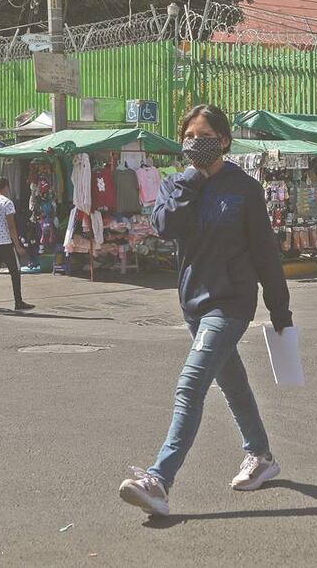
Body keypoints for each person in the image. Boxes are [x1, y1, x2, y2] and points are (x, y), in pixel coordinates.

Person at [118, 104, 294, 517]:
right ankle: (261, 456)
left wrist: (280, 310)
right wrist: (193, 179)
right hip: (193, 303)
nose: (196, 143)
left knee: (190, 385)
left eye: (205, 137)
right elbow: (165, 226)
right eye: (189, 137)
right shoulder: (176, 184)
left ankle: (159, 480)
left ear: (225, 141)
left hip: (231, 302)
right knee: (232, 384)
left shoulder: (244, 188)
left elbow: (265, 253)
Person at [0, 177, 33, 314]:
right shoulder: (7, 202)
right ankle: (18, 301)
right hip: (4, 242)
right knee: (15, 272)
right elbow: (11, 226)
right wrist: (17, 245)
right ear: (6, 187)